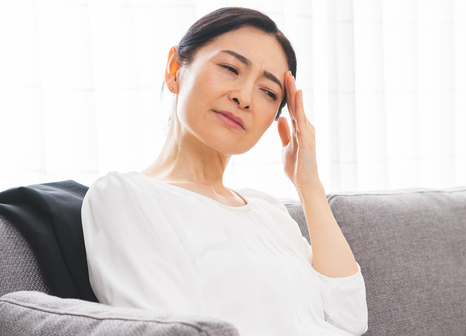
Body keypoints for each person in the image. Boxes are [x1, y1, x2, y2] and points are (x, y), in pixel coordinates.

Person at [80, 7, 368, 336]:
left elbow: (350, 319)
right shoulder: (127, 197)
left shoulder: (268, 211)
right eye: (230, 68)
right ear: (174, 70)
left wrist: (309, 186)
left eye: (268, 92)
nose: (244, 97)